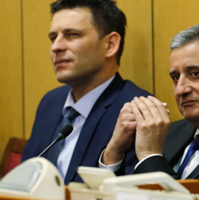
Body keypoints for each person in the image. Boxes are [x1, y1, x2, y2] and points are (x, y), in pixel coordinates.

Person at [101, 21, 199, 196]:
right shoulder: (169, 132)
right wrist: (114, 150)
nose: (180, 89)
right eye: (175, 77)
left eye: (195, 74)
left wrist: (150, 155)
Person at [21, 0, 151, 185]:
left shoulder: (136, 110)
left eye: (72, 35)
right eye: (53, 37)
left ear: (110, 45)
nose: (55, 47)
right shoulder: (50, 103)